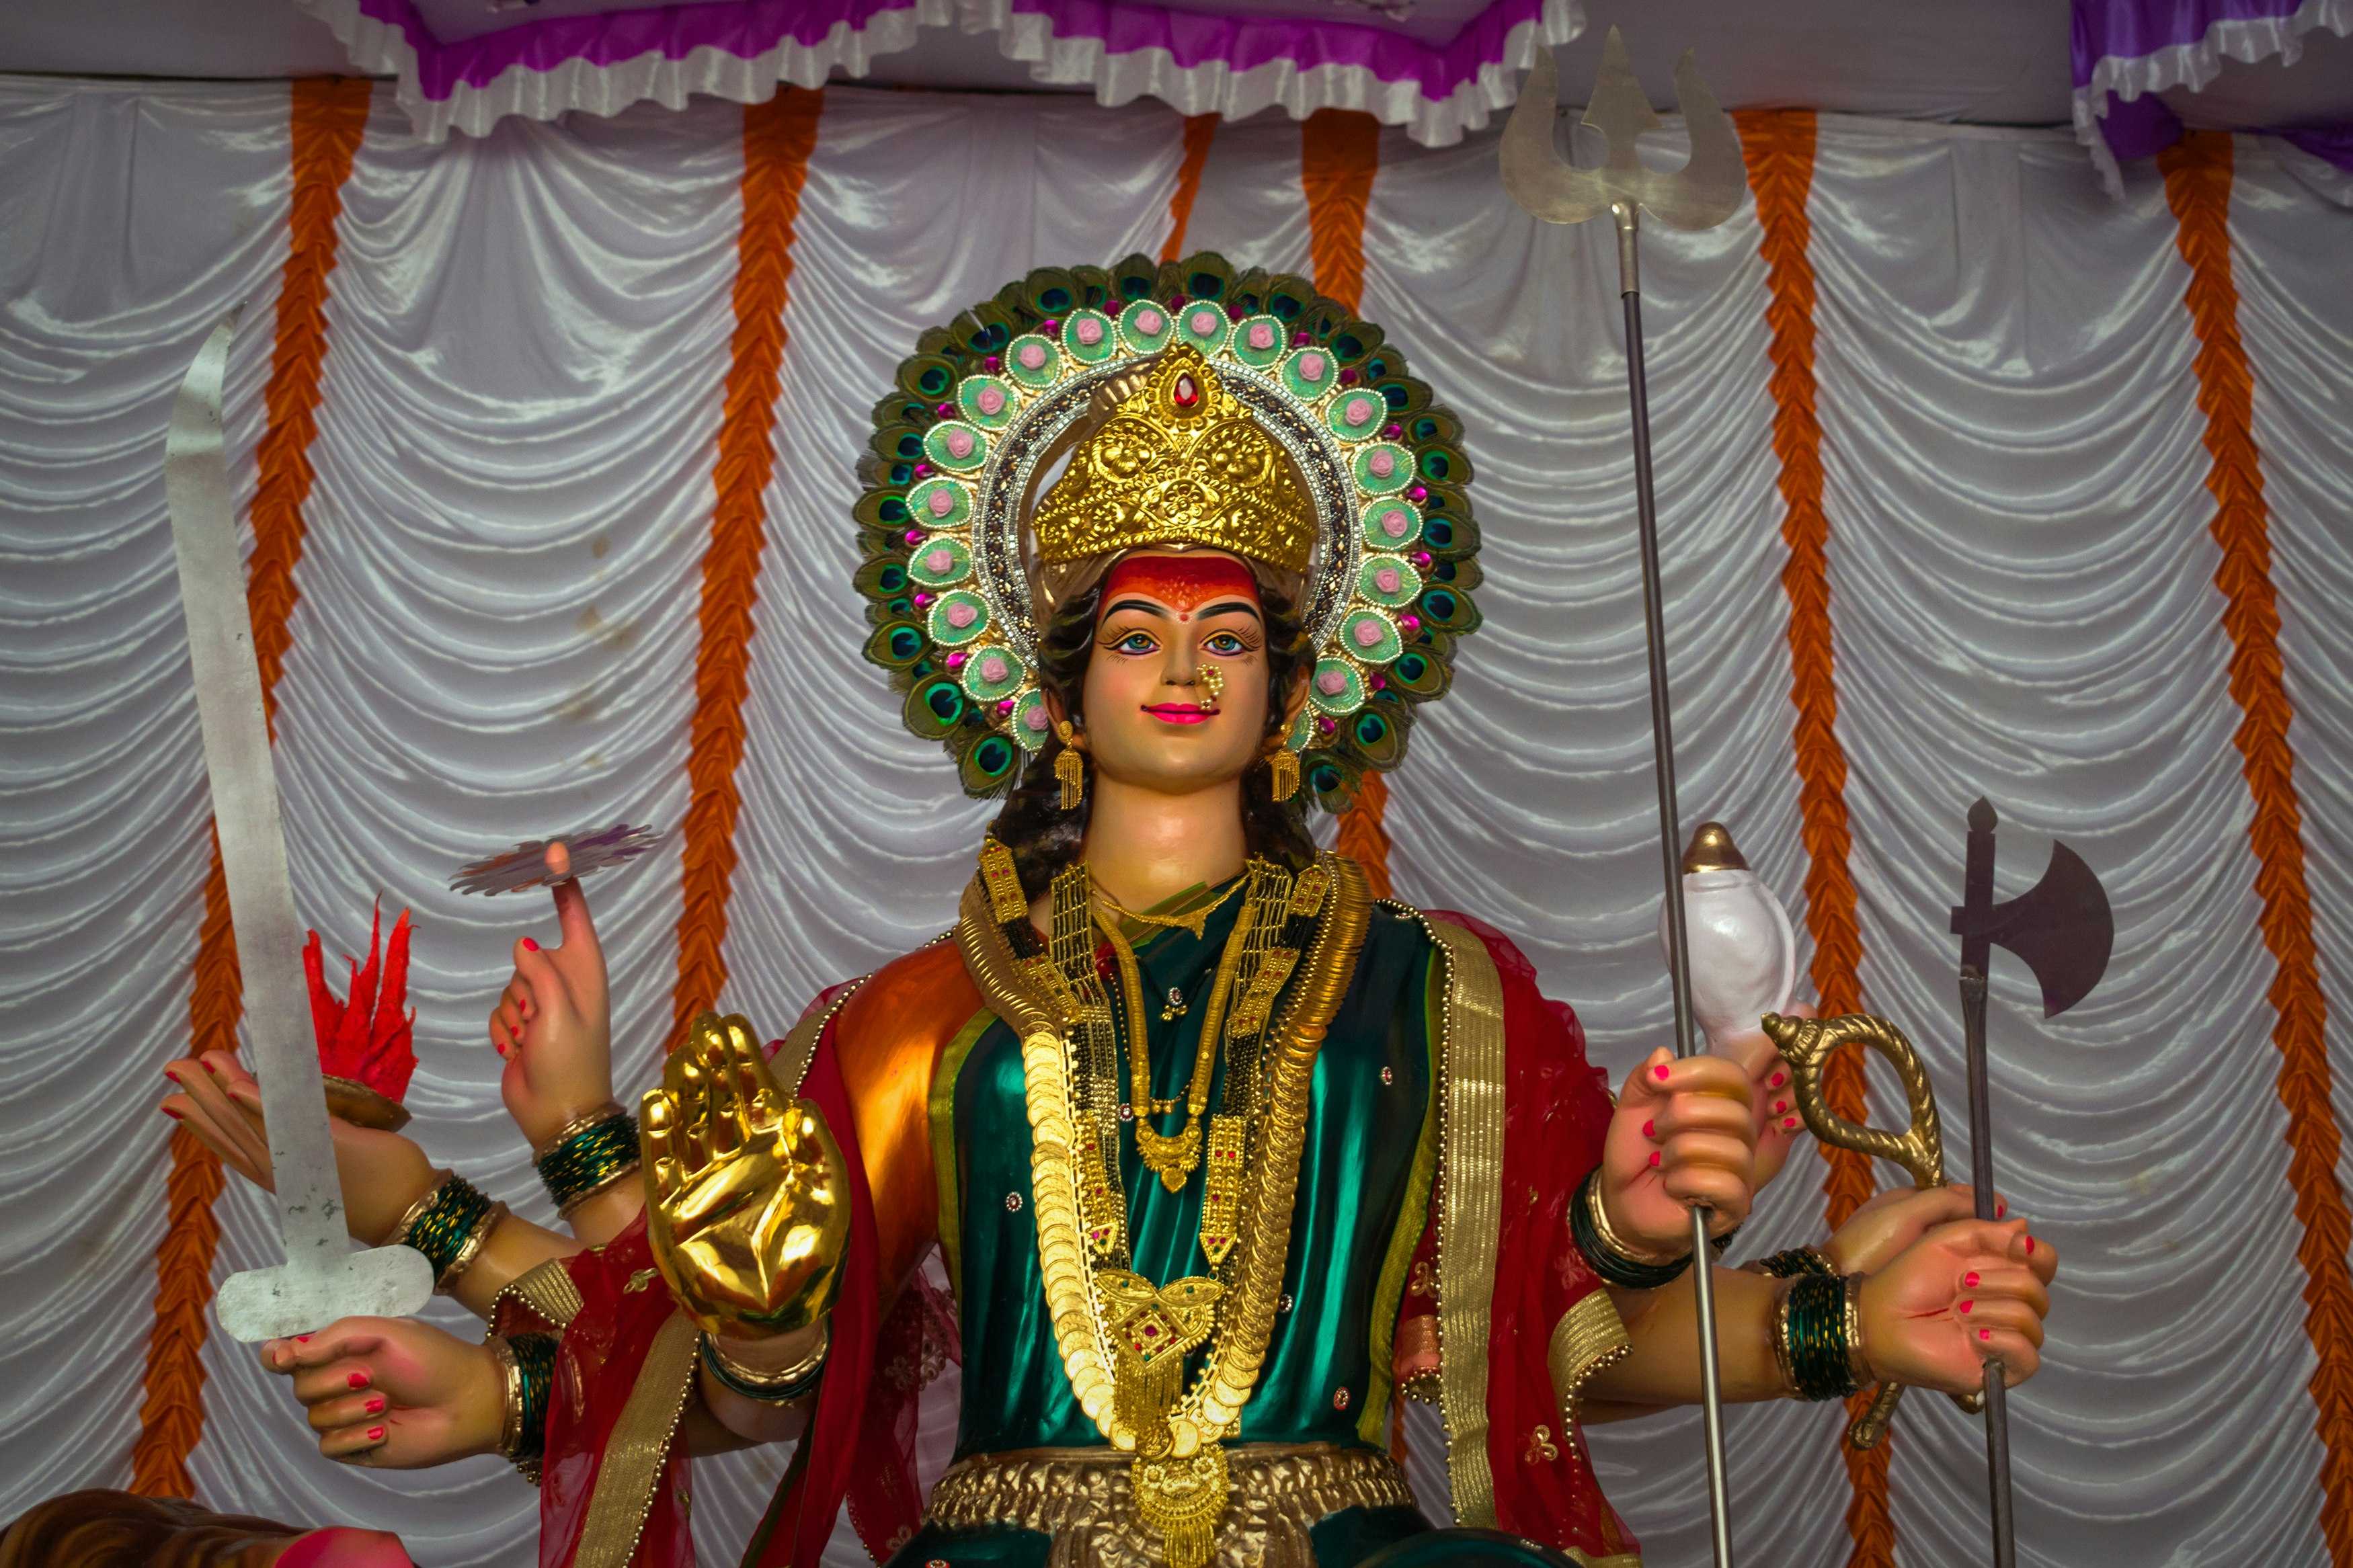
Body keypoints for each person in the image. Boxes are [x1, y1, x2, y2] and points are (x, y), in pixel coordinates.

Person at [211, 255, 2056, 1568]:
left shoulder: (1437, 998)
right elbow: (775, 1377)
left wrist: (1813, 1313)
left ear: (1293, 689)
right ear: (1059, 679)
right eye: (1141, 634)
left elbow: (1537, 1349)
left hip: (1347, 1540)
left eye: (1231, 636)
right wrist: (490, 1312)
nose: (1184, 670)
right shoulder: (915, 1015)